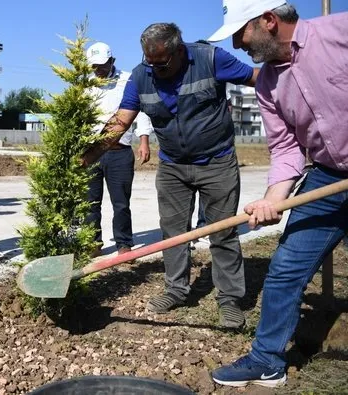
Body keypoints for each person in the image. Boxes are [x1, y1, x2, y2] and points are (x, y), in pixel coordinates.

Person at [207, 1, 348, 387]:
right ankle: (267, 359)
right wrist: (273, 198)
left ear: (269, 21)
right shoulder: (268, 84)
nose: (237, 44)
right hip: (327, 179)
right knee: (285, 269)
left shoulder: (339, 33)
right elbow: (286, 150)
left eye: (242, 32)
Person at [81, 23, 257, 329]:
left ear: (179, 51)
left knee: (222, 232)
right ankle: (176, 289)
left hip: (217, 162)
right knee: (173, 232)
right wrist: (85, 158)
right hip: (173, 166)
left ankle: (229, 299)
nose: (155, 69)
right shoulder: (140, 75)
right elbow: (121, 122)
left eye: (160, 63)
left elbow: (260, 79)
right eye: (149, 62)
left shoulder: (211, 59)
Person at [84, 42, 153, 258]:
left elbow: (140, 112)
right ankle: (92, 243)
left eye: (102, 66)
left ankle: (124, 243)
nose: (98, 71)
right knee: (90, 203)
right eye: (94, 66)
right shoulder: (84, 85)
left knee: (121, 203)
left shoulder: (128, 81)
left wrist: (144, 140)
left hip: (120, 152)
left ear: (112, 61)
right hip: (91, 153)